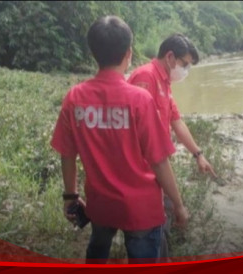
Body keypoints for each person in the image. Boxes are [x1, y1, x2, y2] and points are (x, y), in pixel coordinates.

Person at [50, 16, 188, 264]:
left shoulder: (75, 98)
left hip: (101, 205)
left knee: (97, 250)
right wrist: (178, 205)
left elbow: (67, 154)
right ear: (128, 53)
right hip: (142, 210)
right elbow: (159, 161)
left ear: (94, 54)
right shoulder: (139, 100)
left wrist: (70, 196)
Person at [127, 34, 216, 257]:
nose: (185, 70)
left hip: (157, 166)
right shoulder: (145, 78)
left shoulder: (164, 81)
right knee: (152, 227)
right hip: (143, 171)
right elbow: (138, 136)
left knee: (162, 220)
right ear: (170, 57)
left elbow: (176, 121)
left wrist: (198, 154)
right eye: (185, 64)